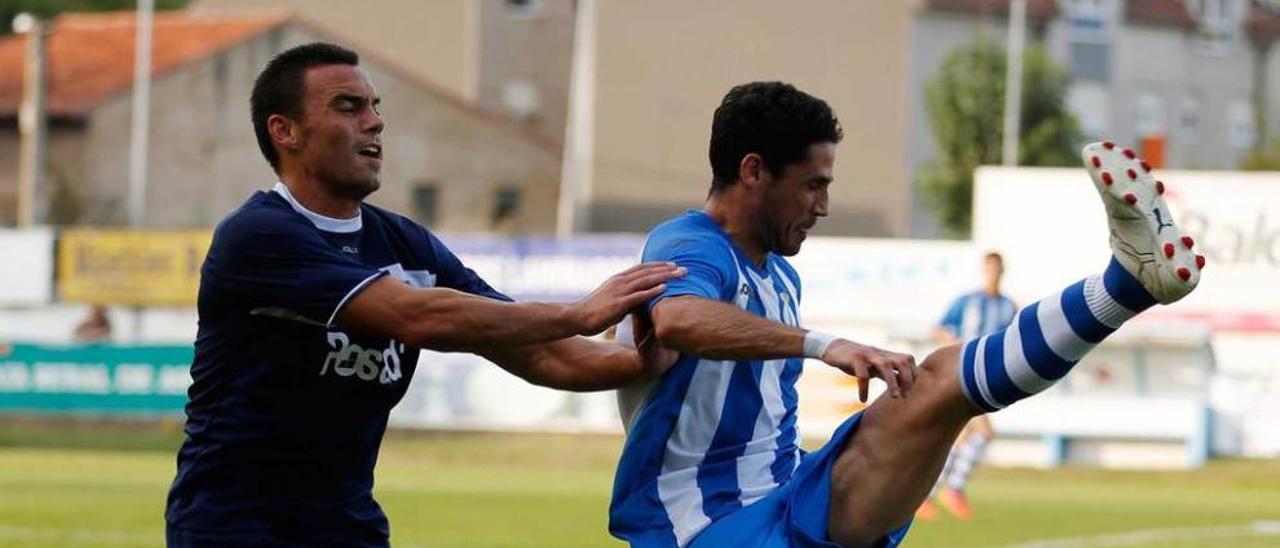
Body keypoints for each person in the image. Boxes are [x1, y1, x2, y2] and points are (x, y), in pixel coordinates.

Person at [607, 81, 1203, 547]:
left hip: (788, 491)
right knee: (939, 388)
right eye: (813, 185)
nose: (824, 205)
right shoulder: (690, 244)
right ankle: (1123, 285)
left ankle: (1124, 285)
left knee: (938, 382)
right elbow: (680, 320)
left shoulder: (779, 272)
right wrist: (825, 345)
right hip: (706, 526)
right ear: (754, 171)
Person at [164, 42, 683, 547]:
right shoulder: (258, 236)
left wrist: (643, 359)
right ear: (286, 131)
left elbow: (545, 354)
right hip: (233, 525)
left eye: (374, 106)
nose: (374, 121)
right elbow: (416, 316)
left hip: (346, 525)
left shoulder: (407, 245)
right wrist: (577, 313)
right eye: (349, 107)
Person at [917, 252, 1016, 521]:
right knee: (982, 433)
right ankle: (953, 490)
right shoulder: (967, 302)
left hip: (990, 378)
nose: (993, 274)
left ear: (1002, 271)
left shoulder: (1009, 306)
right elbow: (938, 328)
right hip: (964, 372)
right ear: (983, 270)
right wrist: (951, 339)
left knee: (960, 437)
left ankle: (928, 495)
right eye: (989, 269)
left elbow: (1013, 340)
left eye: (997, 270)